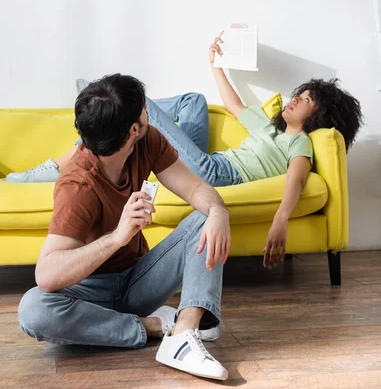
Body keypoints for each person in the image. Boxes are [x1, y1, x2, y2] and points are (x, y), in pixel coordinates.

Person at [8, 34, 363, 269]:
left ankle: (104, 111)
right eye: (298, 94)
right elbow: (233, 103)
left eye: (305, 101)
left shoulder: (299, 142)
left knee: (132, 111)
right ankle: (107, 114)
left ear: (319, 116)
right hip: (212, 163)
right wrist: (215, 64)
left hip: (220, 174)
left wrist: (281, 221)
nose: (295, 99)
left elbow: (297, 182)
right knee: (193, 100)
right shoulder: (269, 127)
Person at [17, 73, 231, 381]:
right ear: (133, 128)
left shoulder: (148, 141)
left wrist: (219, 210)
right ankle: (151, 326)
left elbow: (198, 191)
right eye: (145, 108)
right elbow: (46, 274)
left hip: (137, 281)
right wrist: (117, 237)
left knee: (204, 218)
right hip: (86, 294)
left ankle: (184, 333)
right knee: (33, 309)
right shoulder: (77, 184)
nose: (148, 113)